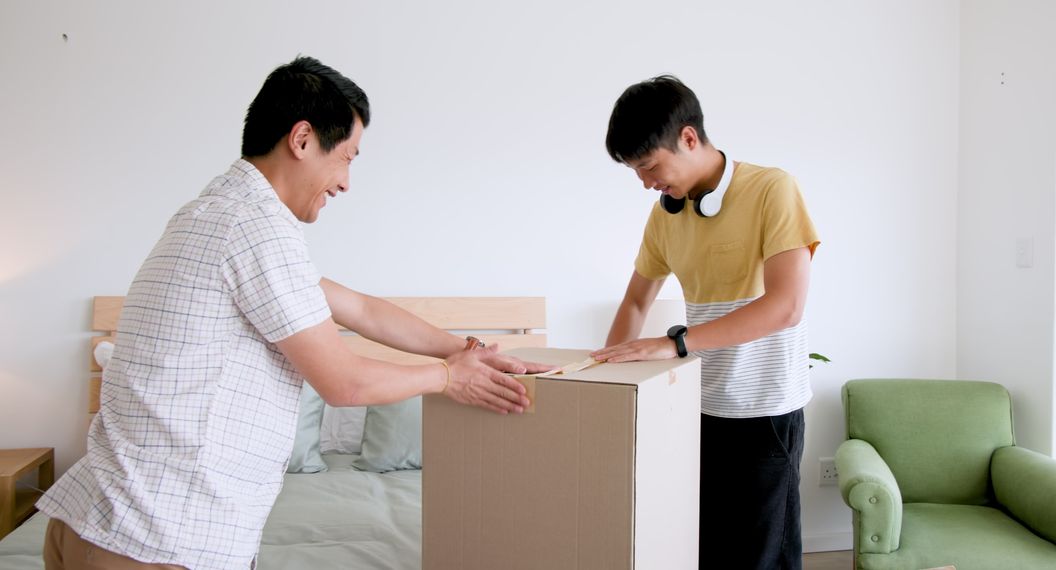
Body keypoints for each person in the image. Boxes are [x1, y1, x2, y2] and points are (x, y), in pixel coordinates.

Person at [37, 56, 543, 570]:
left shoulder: (211, 213)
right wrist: (447, 378)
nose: (346, 182)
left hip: (95, 520)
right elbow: (344, 385)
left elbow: (362, 309)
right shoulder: (257, 227)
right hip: (159, 537)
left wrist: (466, 350)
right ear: (301, 140)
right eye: (346, 157)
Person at [591, 75, 820, 570]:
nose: (646, 183)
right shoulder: (664, 217)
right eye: (636, 172)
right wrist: (603, 373)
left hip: (766, 414)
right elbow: (634, 302)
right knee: (707, 552)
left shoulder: (772, 189)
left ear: (689, 138)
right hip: (700, 411)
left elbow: (786, 306)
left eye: (650, 167)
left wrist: (674, 343)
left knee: (763, 559)